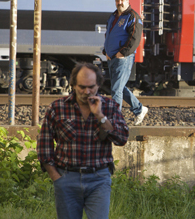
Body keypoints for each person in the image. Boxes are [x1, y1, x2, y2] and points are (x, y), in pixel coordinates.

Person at [38, 63, 129, 219]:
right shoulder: (57, 108)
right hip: (67, 177)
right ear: (73, 85)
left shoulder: (110, 107)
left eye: (91, 87)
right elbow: (44, 146)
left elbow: (121, 138)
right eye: (82, 87)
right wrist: (57, 178)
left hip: (99, 179)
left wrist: (100, 116)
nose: (87, 92)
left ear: (99, 85)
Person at [103, 0, 148, 125]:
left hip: (123, 58)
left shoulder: (133, 16)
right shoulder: (113, 16)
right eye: (117, 1)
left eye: (122, 0)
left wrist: (123, 53)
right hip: (112, 57)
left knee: (116, 89)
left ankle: (115, 120)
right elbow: (109, 34)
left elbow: (135, 38)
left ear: (128, 1)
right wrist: (106, 51)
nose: (119, 3)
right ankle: (139, 110)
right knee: (119, 87)